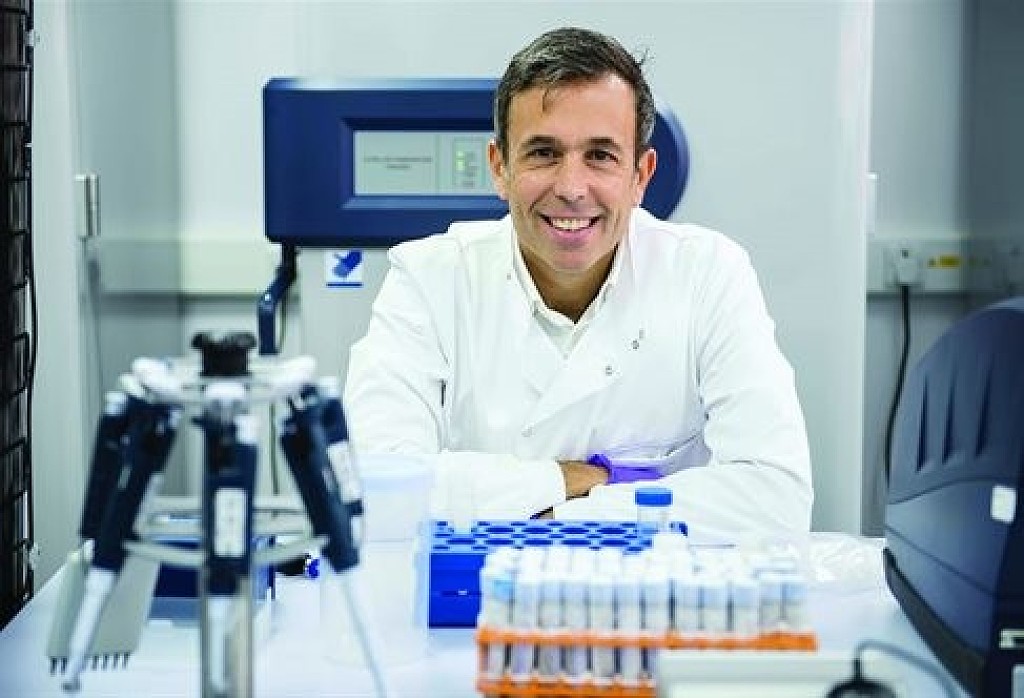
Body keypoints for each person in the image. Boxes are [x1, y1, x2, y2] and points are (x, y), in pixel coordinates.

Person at [344, 26, 812, 540]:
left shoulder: (707, 274)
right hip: (470, 590)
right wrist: (564, 480)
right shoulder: (430, 279)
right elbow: (370, 488)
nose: (571, 188)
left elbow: (777, 498)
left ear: (641, 176)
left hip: (653, 590)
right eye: (543, 153)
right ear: (500, 168)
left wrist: (550, 515)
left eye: (601, 155)